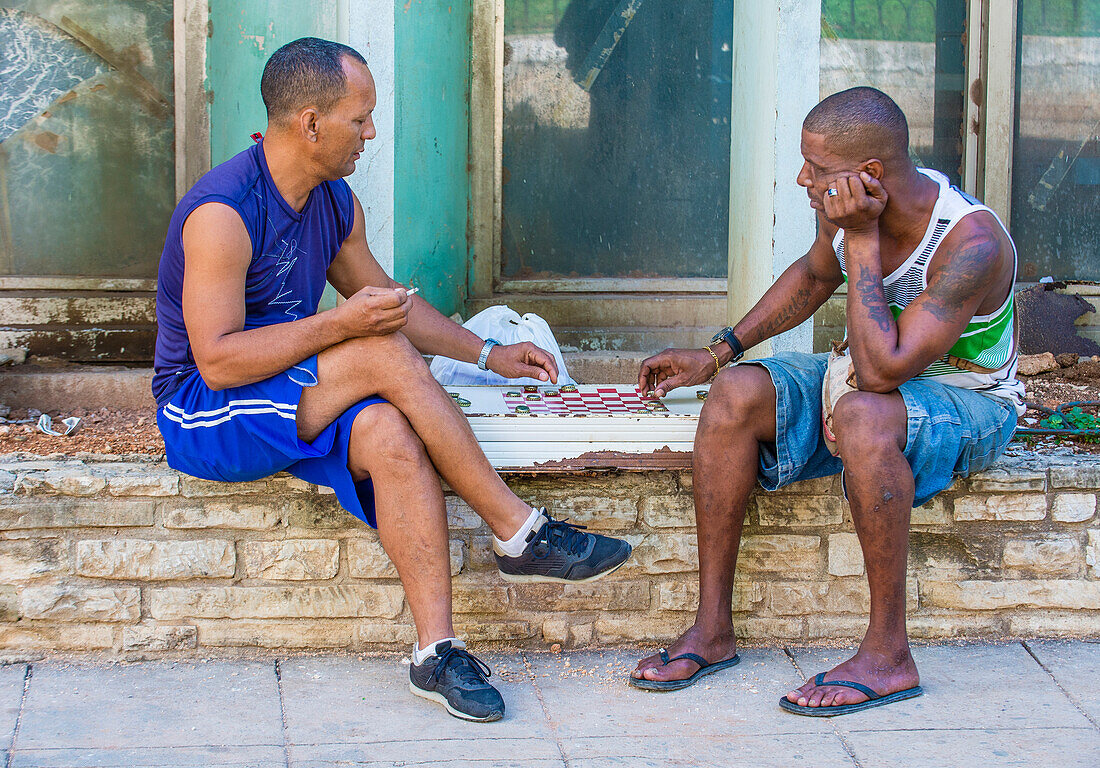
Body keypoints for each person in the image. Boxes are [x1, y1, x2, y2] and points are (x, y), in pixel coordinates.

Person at [152, 37, 632, 723]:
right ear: (310, 122)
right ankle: (520, 533)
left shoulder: (334, 203)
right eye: (360, 117)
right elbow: (218, 363)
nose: (371, 133)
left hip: (286, 390)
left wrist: (488, 352)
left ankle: (435, 651)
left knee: (386, 428)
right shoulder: (223, 215)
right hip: (204, 410)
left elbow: (390, 306)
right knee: (374, 353)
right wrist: (341, 325)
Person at [629, 87, 1023, 716]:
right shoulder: (847, 208)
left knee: (865, 413)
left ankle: (889, 654)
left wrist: (862, 240)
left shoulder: (970, 243)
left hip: (967, 402)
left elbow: (880, 372)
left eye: (815, 168)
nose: (802, 178)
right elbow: (816, 273)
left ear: (869, 175)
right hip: (872, 379)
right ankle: (712, 631)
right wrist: (717, 353)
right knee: (735, 394)